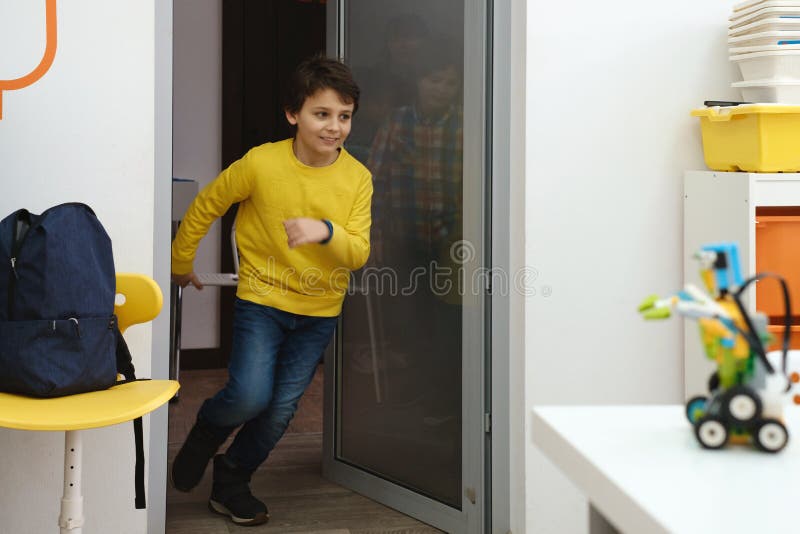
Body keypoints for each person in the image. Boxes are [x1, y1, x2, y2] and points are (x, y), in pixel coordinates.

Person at [169, 55, 372, 527]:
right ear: (292, 114)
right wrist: (181, 264)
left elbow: (358, 251)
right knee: (248, 396)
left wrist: (324, 231)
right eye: (322, 114)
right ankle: (206, 431)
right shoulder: (261, 163)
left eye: (344, 117)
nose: (334, 128)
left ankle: (232, 477)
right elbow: (205, 206)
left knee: (279, 410)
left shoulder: (358, 178)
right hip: (262, 301)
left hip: (320, 311)